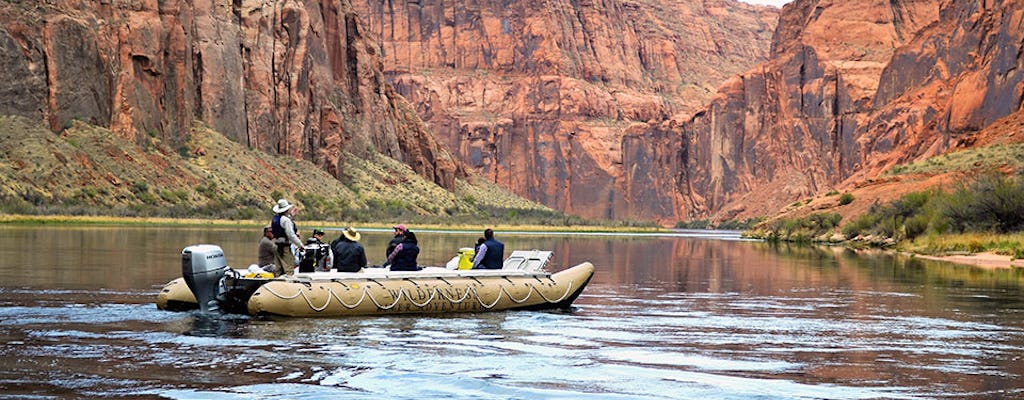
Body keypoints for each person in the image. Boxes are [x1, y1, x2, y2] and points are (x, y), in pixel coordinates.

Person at [270, 198, 303, 276]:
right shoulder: (286, 220)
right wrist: (300, 245)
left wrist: (291, 216)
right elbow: (291, 235)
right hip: (284, 247)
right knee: (289, 269)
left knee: (278, 269)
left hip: (276, 245)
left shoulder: (275, 219)